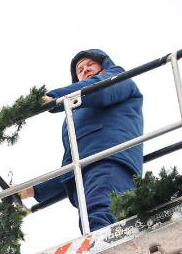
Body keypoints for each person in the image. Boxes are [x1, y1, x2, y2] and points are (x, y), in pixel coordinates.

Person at [18, 49, 144, 231]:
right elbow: (72, 164)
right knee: (90, 223)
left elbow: (101, 88)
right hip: (85, 173)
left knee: (101, 219)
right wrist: (32, 189)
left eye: (89, 64)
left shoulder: (118, 78)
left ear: (104, 64)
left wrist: (54, 98)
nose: (84, 70)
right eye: (80, 69)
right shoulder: (76, 113)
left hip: (108, 162)